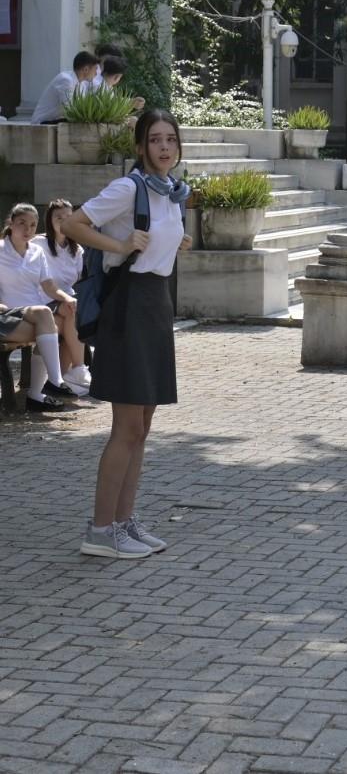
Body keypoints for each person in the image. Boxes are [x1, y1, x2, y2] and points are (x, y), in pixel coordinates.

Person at [62, 108, 193, 560]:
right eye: (155, 139)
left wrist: (175, 241)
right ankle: (100, 529)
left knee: (144, 424)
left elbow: (157, 243)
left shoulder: (172, 193)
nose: (164, 147)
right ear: (141, 147)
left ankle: (123, 521)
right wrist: (119, 245)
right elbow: (73, 223)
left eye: (170, 139)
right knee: (127, 426)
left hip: (156, 304)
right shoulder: (129, 187)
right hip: (129, 308)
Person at [0, 204, 79, 411]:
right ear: (11, 223)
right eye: (22, 223)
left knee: (56, 321)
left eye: (33, 225)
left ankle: (37, 393)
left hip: (34, 315)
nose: (27, 229)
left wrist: (67, 299)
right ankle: (52, 383)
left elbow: (49, 286)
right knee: (48, 322)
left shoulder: (36, 252)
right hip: (7, 315)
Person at [32, 199, 90, 395]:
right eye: (58, 217)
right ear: (50, 220)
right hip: (42, 300)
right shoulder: (38, 243)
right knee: (71, 310)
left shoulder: (77, 250)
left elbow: (78, 282)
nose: (64, 221)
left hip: (66, 304)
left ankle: (61, 381)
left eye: (68, 217)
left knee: (68, 322)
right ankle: (79, 369)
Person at [31, 51, 99, 124]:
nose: (96, 73)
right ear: (86, 69)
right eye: (95, 69)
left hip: (55, 121)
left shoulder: (81, 84)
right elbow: (70, 110)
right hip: (42, 122)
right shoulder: (66, 80)